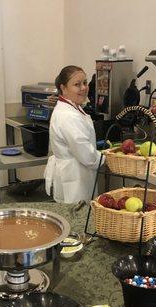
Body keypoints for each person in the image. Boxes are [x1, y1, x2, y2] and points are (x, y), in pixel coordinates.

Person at [44, 65, 103, 203]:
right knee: (77, 221)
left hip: (76, 178)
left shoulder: (72, 108)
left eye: (85, 83)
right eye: (77, 84)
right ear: (63, 88)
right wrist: (106, 158)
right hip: (75, 183)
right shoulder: (68, 116)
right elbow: (86, 155)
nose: (83, 88)